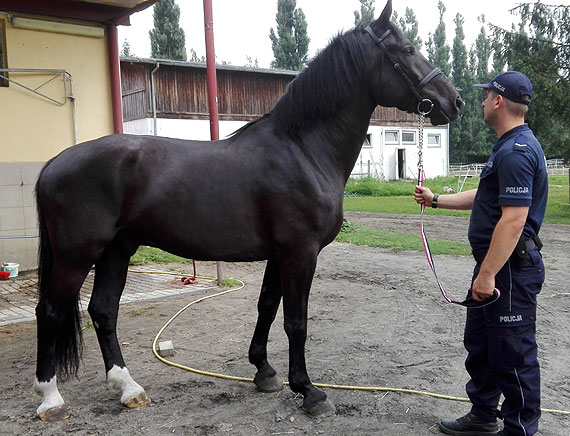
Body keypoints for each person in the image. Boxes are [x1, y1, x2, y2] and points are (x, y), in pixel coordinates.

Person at [414, 71, 548, 436]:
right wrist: (436, 200)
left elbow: (514, 220)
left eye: (487, 96)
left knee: (512, 353)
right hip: (495, 266)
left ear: (499, 101)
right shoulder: (507, 147)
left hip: (507, 269)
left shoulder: (518, 151)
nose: (482, 101)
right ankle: (483, 414)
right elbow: (485, 196)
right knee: (482, 347)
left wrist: (487, 275)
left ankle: (519, 429)